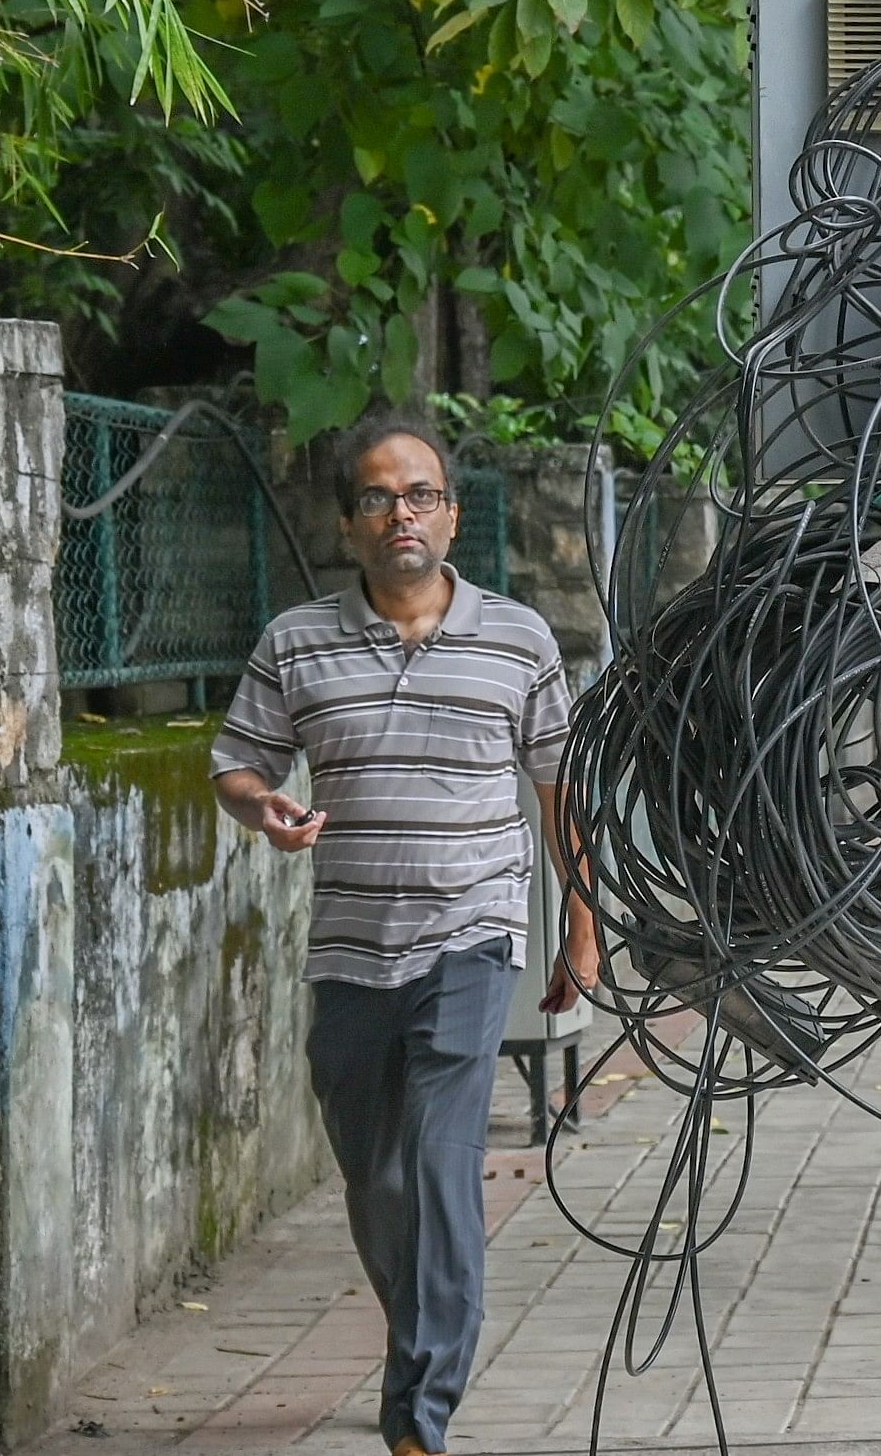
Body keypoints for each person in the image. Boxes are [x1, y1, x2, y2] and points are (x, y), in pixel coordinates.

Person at [209, 417, 600, 1456]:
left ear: (453, 513)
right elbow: (238, 765)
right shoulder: (297, 640)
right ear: (348, 522)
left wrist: (583, 925)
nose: (402, 513)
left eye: (421, 493)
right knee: (377, 1177)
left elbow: (565, 793)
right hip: (351, 947)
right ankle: (421, 1313)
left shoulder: (518, 638)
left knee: (436, 1156)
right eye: (380, 498)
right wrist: (266, 809)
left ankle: (418, 1407)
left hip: (472, 937)